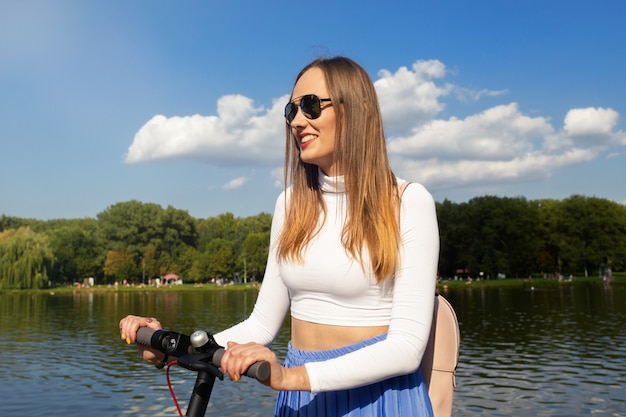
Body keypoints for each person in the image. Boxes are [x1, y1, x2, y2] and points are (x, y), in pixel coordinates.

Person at [119, 56, 440, 417]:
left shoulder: (408, 201)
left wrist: (291, 377)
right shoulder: (290, 205)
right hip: (301, 398)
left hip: (378, 400)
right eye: (292, 110)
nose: (298, 121)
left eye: (311, 106)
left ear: (359, 110)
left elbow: (407, 348)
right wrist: (172, 348)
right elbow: (260, 325)